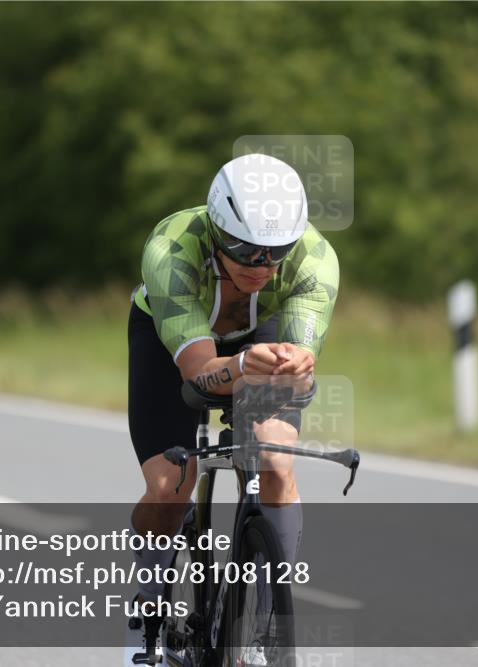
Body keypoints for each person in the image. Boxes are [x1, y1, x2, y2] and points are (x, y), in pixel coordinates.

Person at [125, 153, 339, 665]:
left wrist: (295, 367)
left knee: (276, 463)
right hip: (173, 342)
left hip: (262, 338)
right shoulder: (172, 249)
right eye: (246, 251)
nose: (263, 266)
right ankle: (147, 609)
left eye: (276, 252)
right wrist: (240, 365)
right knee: (168, 488)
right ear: (218, 232)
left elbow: (301, 357)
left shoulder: (314, 259)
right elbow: (199, 373)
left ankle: (266, 633)